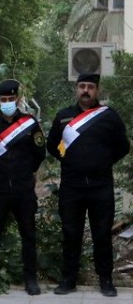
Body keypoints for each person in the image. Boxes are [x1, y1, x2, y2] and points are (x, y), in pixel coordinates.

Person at [47, 73, 130, 298]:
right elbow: (52, 145)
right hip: (71, 187)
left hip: (100, 186)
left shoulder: (109, 116)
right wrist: (71, 161)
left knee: (102, 234)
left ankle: (106, 280)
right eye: (82, 86)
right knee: (70, 233)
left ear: (97, 90)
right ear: (76, 89)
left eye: (90, 87)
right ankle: (69, 279)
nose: (86, 90)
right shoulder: (63, 116)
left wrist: (101, 162)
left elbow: (123, 147)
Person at [0, 79, 45, 296]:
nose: (7, 103)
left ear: (19, 99)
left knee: (28, 234)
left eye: (11, 99)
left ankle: (30, 279)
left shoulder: (30, 123)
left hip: (23, 189)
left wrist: (23, 173)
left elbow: (39, 153)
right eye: (3, 100)